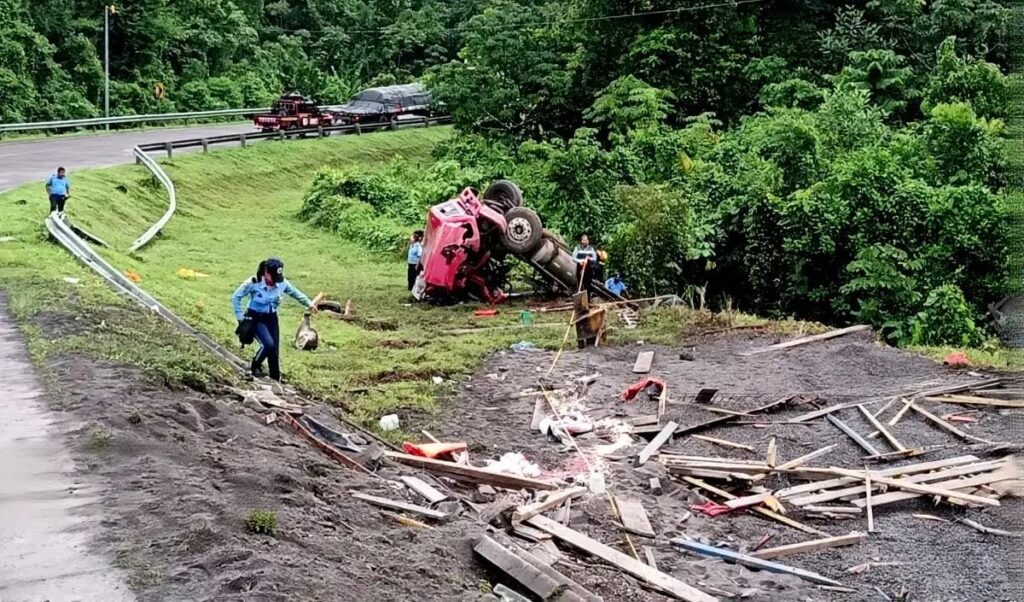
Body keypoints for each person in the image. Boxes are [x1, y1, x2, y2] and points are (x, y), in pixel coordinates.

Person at [232, 257, 315, 381]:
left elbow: (294, 293)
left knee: (274, 350)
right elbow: (236, 297)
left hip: (271, 317)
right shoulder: (253, 282)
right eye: (273, 277)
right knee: (268, 345)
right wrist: (240, 318)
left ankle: (275, 378)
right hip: (255, 317)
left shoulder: (282, 283)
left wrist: (309, 303)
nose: (276, 281)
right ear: (266, 273)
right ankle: (253, 367)